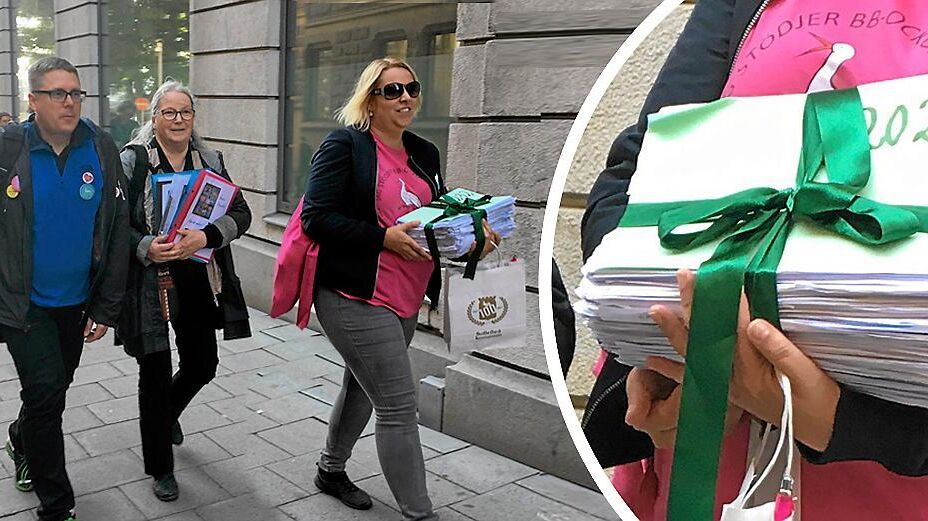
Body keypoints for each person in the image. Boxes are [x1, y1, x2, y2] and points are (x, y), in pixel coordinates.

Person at [581, 0, 928, 519]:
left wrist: (848, 423)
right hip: (707, 472)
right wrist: (669, 363)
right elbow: (632, 182)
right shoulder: (737, 5)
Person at [301, 57, 500, 520]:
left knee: (361, 385)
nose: (405, 97)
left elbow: (437, 223)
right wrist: (382, 237)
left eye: (411, 88)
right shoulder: (345, 146)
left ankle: (330, 470)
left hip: (406, 295)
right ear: (370, 100)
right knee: (397, 404)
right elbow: (316, 218)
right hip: (354, 294)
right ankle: (419, 512)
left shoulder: (424, 152)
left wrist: (473, 239)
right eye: (392, 90)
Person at [0, 56, 129, 521]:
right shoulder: (8, 148)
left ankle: (20, 438)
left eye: (75, 93)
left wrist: (106, 306)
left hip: (76, 301)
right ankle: (56, 506)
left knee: (52, 390)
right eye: (57, 93)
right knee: (47, 392)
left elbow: (116, 229)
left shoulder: (101, 146)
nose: (70, 102)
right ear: (33, 100)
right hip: (23, 304)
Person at [117, 80, 252, 502]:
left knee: (202, 364)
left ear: (194, 117)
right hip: (149, 282)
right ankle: (161, 467)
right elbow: (112, 224)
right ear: (154, 117)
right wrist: (145, 246)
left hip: (197, 277)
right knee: (154, 375)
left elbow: (242, 213)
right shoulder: (134, 161)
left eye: (186, 112)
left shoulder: (209, 160)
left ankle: (165, 415)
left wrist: (206, 237)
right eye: (169, 112)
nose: (178, 120)